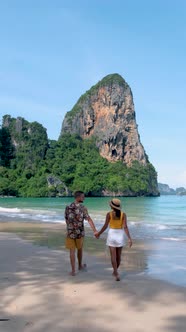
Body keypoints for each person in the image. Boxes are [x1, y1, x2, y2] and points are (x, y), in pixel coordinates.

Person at [95, 198, 132, 281]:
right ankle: (116, 272)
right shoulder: (123, 214)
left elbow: (105, 226)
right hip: (120, 235)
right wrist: (129, 238)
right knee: (118, 256)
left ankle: (115, 272)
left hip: (112, 235)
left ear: (111, 206)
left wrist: (99, 233)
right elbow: (125, 227)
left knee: (113, 256)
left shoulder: (109, 214)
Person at [65, 191, 97, 276]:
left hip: (70, 232)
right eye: (83, 197)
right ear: (78, 197)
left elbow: (66, 219)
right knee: (80, 249)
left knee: (72, 251)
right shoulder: (83, 208)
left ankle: (73, 271)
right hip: (79, 232)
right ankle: (79, 266)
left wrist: (70, 228)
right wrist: (95, 230)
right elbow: (89, 219)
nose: (84, 198)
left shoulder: (68, 207)